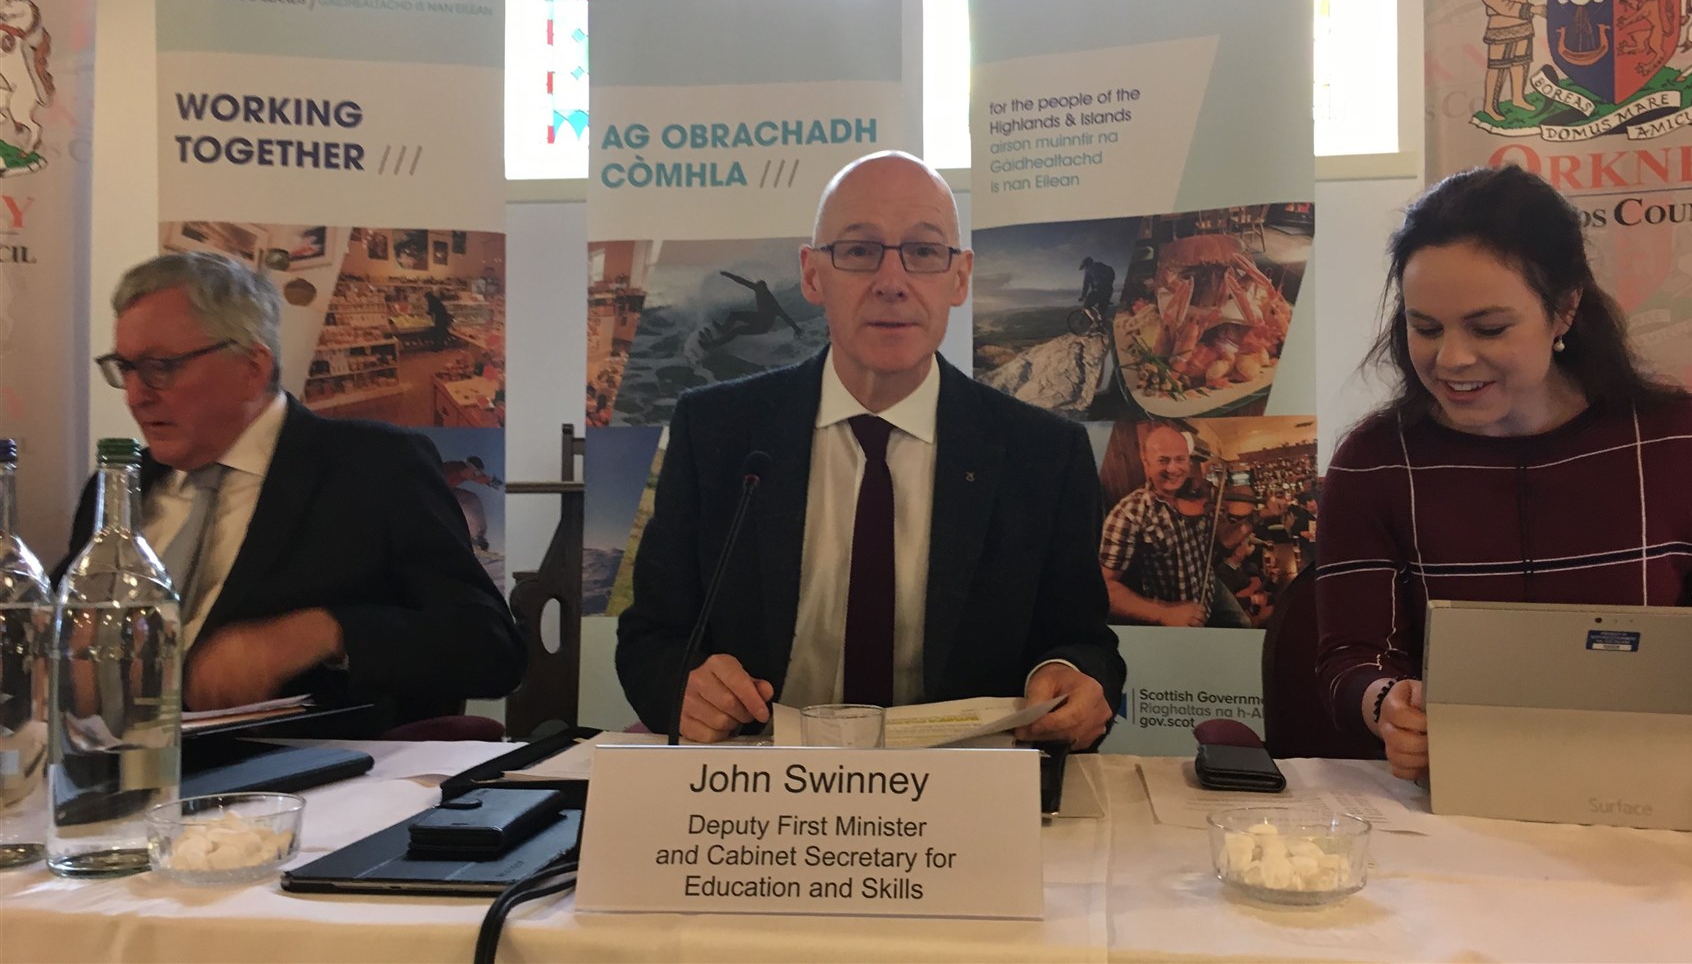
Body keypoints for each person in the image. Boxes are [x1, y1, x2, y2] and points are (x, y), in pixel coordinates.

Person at [615, 151, 1123, 747]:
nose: (892, 282)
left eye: (925, 252)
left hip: (964, 797)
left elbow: (1087, 644)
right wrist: (683, 686)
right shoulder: (717, 431)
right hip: (756, 799)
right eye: (858, 251)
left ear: (959, 278)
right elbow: (653, 637)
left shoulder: (1045, 453)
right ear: (811, 275)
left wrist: (1069, 679)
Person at [1315, 165, 1692, 781]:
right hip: (1456, 801)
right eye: (1424, 328)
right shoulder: (1375, 461)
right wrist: (1387, 706)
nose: (1451, 358)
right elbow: (1349, 657)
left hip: (1647, 799)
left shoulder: (1679, 439)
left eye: (1489, 328)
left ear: (1564, 311)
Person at [60, 252, 525, 732]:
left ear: (252, 368)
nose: (135, 395)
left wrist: (326, 631)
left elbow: (490, 649)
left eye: (160, 367)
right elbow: (58, 636)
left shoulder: (374, 468)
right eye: (125, 368)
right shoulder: (117, 488)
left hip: (306, 790)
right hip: (109, 776)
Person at [1098, 420, 1250, 630]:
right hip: (1174, 612)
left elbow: (1224, 541)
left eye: (1180, 459)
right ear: (1146, 462)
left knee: (1244, 626)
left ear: (1188, 461)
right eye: (1163, 460)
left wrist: (1256, 518)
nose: (1173, 468)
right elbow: (1101, 587)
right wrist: (1163, 613)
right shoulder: (1130, 512)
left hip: (1210, 588)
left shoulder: (1200, 497)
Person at [1473, 0, 1548, 121]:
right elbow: (1501, 5)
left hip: (1522, 26)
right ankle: (1490, 106)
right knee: (1497, 67)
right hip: (1501, 28)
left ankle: (1518, 98)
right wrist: (1533, 9)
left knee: (1520, 63)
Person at [700, 270, 803, 350]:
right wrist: (728, 275)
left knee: (738, 330)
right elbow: (742, 281)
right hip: (758, 318)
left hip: (763, 326)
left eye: (759, 288)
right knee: (735, 315)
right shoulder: (758, 289)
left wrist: (796, 328)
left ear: (764, 289)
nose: (757, 289)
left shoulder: (772, 302)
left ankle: (714, 345)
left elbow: (785, 316)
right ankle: (723, 329)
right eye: (757, 287)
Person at [1078, 256, 1115, 322]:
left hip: (1098, 290)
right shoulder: (1102, 266)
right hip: (1109, 290)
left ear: (1086, 264)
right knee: (1101, 312)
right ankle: (1104, 326)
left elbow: (1086, 285)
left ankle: (1096, 323)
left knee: (1086, 306)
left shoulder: (1088, 270)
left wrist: (1083, 296)